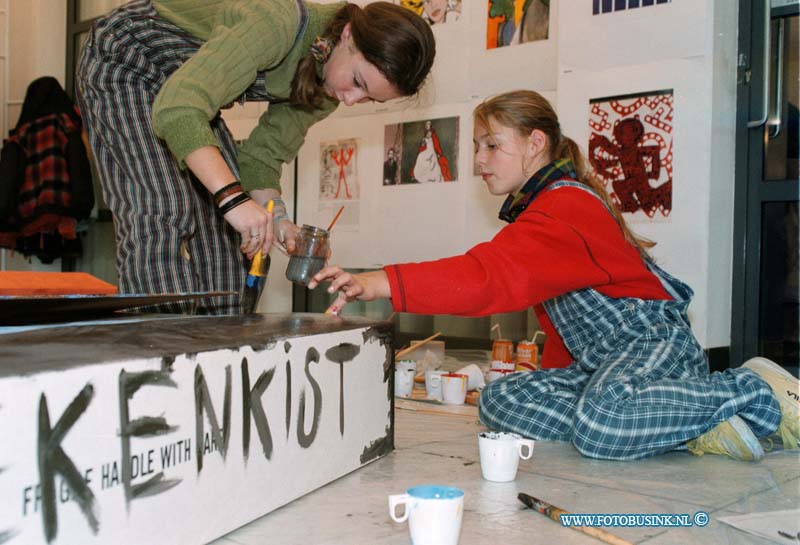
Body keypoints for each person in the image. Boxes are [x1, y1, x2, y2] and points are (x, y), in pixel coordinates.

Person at [309, 90, 799, 462]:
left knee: (600, 425)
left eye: (491, 145)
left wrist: (381, 282)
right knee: (502, 401)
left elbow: (488, 276)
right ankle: (684, 422)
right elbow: (564, 326)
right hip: (603, 364)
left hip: (651, 347)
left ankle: (749, 389)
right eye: (478, 146)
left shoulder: (564, 206)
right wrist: (556, 381)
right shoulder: (544, 209)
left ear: (535, 143)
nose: (478, 159)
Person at [76, 0, 435, 314]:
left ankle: (221, 353)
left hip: (187, 93)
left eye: (371, 100)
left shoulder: (329, 86)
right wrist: (233, 200)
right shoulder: (275, 22)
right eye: (358, 82)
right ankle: (161, 354)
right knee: (163, 207)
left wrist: (278, 220)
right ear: (347, 36)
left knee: (233, 235)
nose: (352, 100)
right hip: (127, 62)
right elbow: (179, 108)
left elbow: (260, 161)